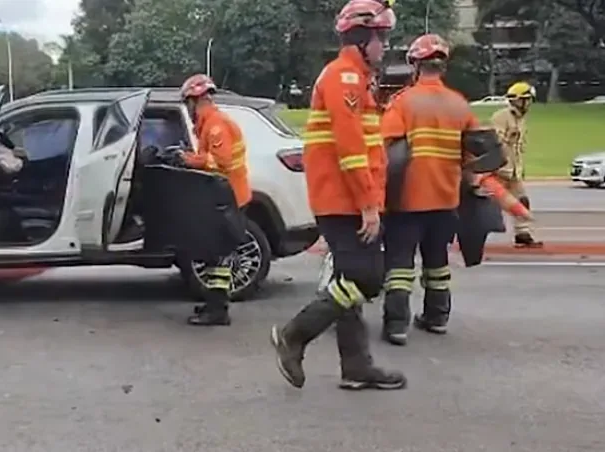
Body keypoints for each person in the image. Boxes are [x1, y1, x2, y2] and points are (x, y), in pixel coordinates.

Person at [269, 0, 406, 390]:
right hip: (345, 201)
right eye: (380, 38)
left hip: (346, 199)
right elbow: (351, 151)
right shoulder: (344, 78)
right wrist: (368, 205)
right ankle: (295, 334)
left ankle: (357, 367)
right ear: (361, 38)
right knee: (367, 278)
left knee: (348, 282)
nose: (384, 46)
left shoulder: (355, 78)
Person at [378, 33, 481, 345]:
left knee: (400, 265)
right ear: (443, 66)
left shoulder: (403, 102)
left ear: (415, 65)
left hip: (407, 200)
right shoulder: (460, 104)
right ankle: (437, 317)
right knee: (437, 262)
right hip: (446, 199)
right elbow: (476, 152)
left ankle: (397, 325)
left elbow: (386, 149)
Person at [178, 73, 251, 326]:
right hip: (224, 197)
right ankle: (214, 303)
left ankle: (218, 309)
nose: (188, 109)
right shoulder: (208, 124)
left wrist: (189, 160)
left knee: (218, 255)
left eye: (188, 102)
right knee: (214, 253)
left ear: (195, 100)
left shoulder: (216, 125)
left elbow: (221, 161)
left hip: (230, 198)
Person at [492, 81, 543, 248]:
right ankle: (465, 234)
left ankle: (522, 233)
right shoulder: (501, 117)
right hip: (499, 170)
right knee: (487, 205)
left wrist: (520, 168)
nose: (529, 103)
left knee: (522, 201)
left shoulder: (521, 119)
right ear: (519, 100)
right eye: (527, 100)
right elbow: (496, 142)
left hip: (513, 171)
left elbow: (519, 147)